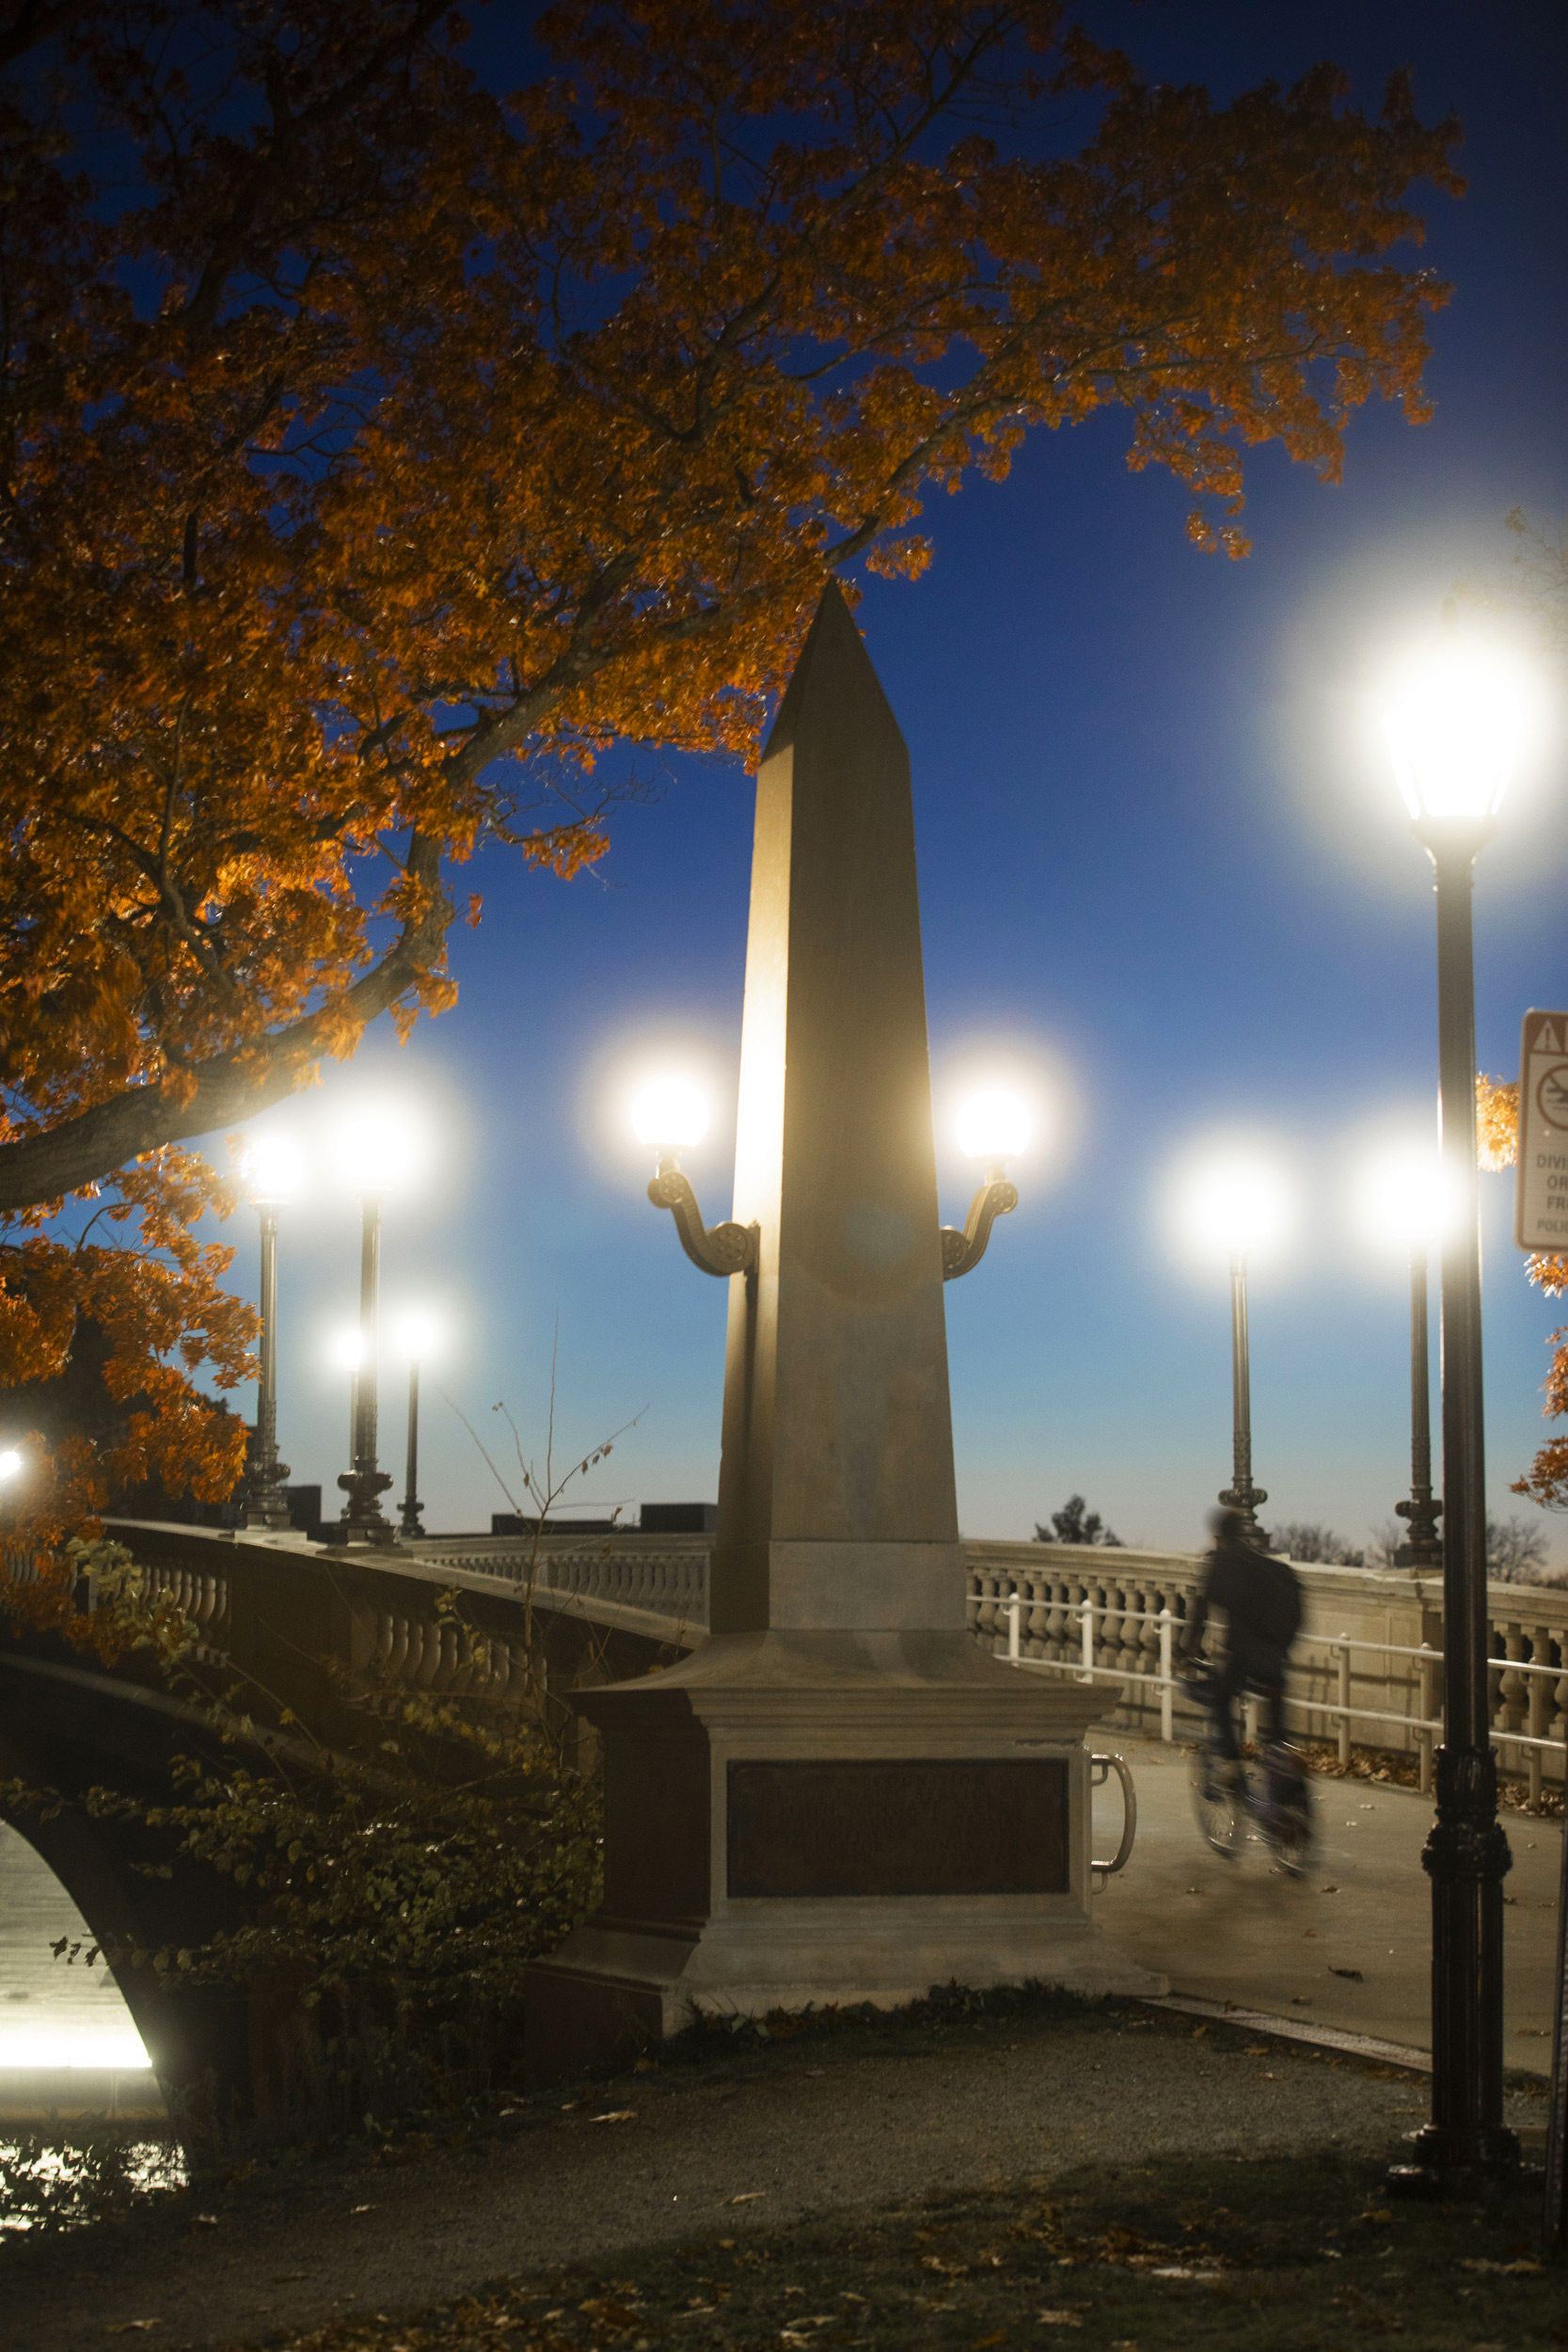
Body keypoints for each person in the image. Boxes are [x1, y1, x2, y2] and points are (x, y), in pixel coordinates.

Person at [1179, 1509, 1302, 1769]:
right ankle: (1282, 1763)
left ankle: (1231, 1763)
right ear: (1242, 1533)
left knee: (1221, 1700)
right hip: (1274, 1656)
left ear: (1218, 1536)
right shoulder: (1264, 1564)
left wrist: (1187, 1649)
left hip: (1244, 1658)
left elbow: (1201, 1612)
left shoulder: (1221, 1563)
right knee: (1276, 1724)